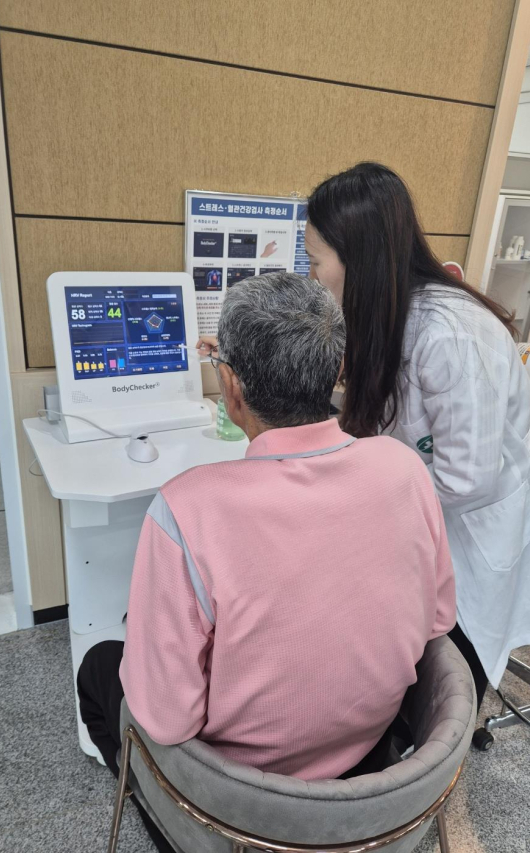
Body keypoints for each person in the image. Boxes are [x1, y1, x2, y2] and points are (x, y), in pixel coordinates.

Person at [79, 272, 456, 848]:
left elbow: (167, 719)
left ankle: (167, 817)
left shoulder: (185, 509)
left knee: (100, 667)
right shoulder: (403, 469)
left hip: (239, 804)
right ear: (337, 369)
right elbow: (437, 619)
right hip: (375, 779)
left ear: (230, 386)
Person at [303, 162, 530, 704]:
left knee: (454, 659)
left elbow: (466, 478)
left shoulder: (452, 335)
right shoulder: (387, 311)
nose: (312, 277)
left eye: (314, 262)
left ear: (359, 260)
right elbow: (388, 405)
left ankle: (447, 730)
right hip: (439, 502)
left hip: (480, 513)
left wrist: (367, 496)